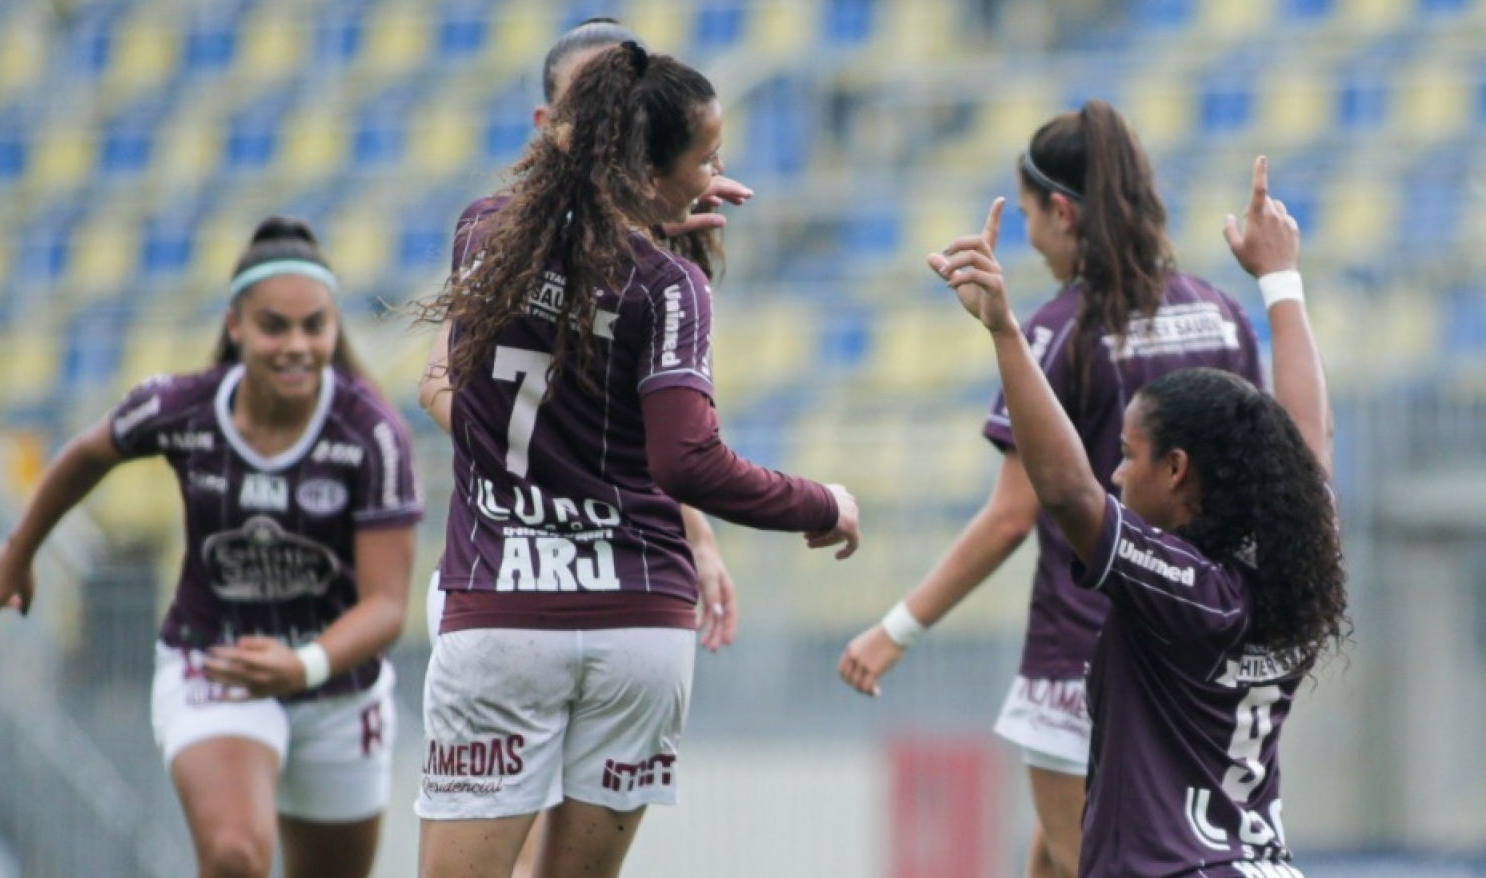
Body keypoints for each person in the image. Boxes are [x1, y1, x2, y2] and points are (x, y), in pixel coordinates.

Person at [410, 42, 860, 878]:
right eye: (705, 155)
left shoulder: (480, 231)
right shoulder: (669, 284)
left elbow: (450, 379)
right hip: (637, 623)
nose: (717, 171)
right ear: (651, 169)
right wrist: (822, 503)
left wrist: (644, 206)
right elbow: (688, 460)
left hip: (504, 613)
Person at [838, 99, 1264, 878]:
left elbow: (1011, 516)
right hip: (1200, 648)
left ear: (1061, 210)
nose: (1031, 239)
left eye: (1031, 215)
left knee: (1088, 860)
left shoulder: (1056, 330)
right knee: (1056, 854)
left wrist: (893, 629)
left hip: (1085, 650)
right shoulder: (1224, 314)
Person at [924, 155, 1347, 877]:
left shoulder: (1186, 592)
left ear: (1176, 469)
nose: (1115, 472)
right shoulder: (1294, 558)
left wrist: (1003, 334)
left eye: (1126, 453)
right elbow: (1312, 439)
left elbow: (1067, 494)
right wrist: (1280, 282)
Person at [0, 217, 424, 878]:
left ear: (334, 328)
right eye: (275, 326)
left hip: (335, 687)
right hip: (214, 664)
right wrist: (18, 552)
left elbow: (387, 606)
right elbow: (84, 456)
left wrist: (301, 665)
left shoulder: (371, 432)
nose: (297, 345)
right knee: (234, 856)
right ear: (236, 325)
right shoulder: (181, 407)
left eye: (315, 326)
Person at [417, 17, 756, 655]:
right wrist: (563, 479)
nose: (614, 121)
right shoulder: (507, 238)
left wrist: (699, 539)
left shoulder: (674, 246)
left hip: (623, 568)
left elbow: (659, 425)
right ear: (549, 127)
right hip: (509, 562)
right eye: (592, 103)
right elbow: (438, 382)